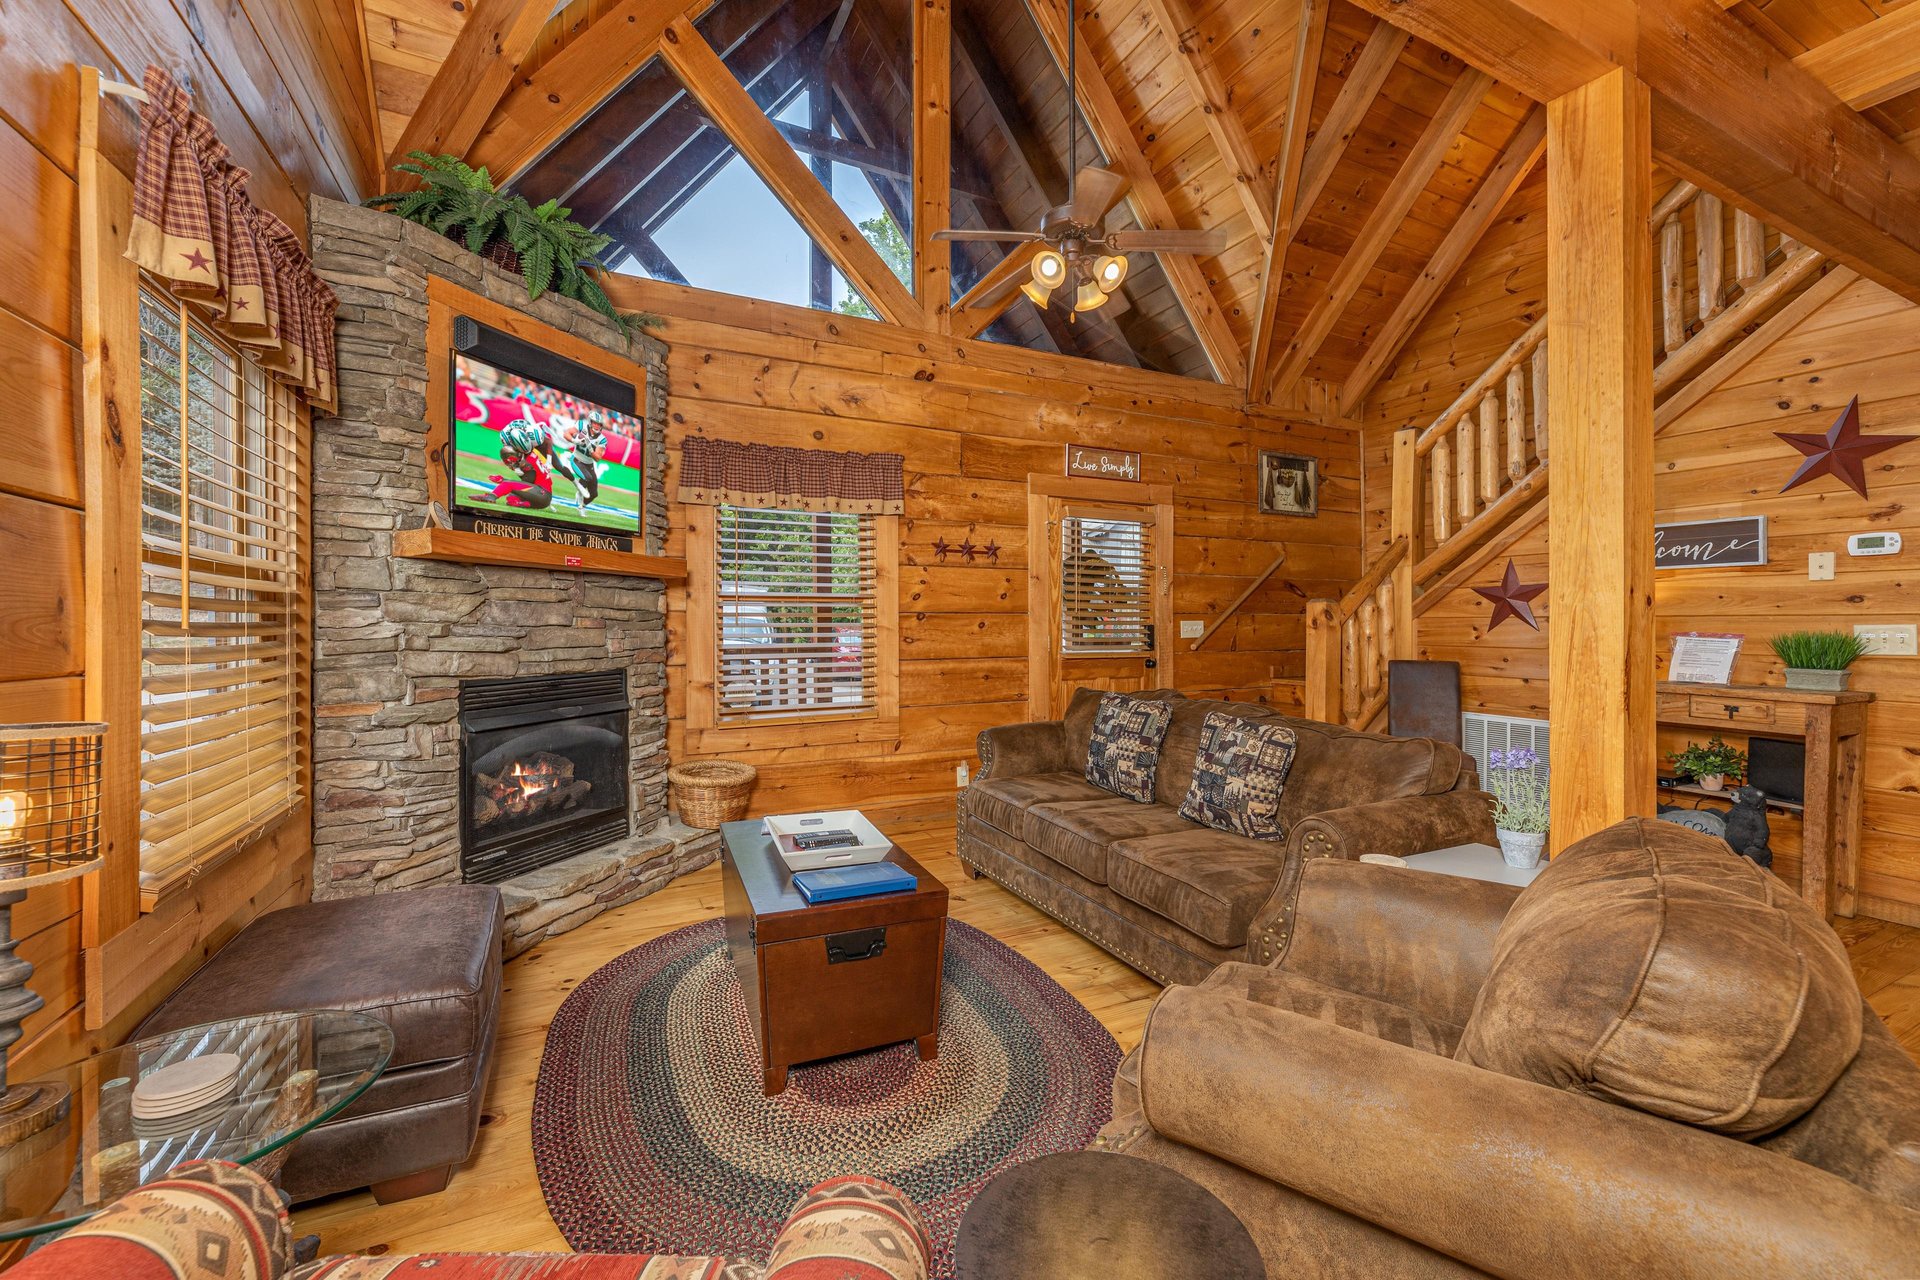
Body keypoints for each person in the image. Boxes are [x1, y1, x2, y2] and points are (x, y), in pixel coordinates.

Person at [471, 422, 555, 510]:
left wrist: (503, 480)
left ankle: (490, 497)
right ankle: (525, 504)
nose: (510, 462)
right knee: (511, 498)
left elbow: (529, 481)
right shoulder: (530, 455)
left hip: (541, 494)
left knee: (508, 485)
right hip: (542, 497)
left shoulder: (525, 462)